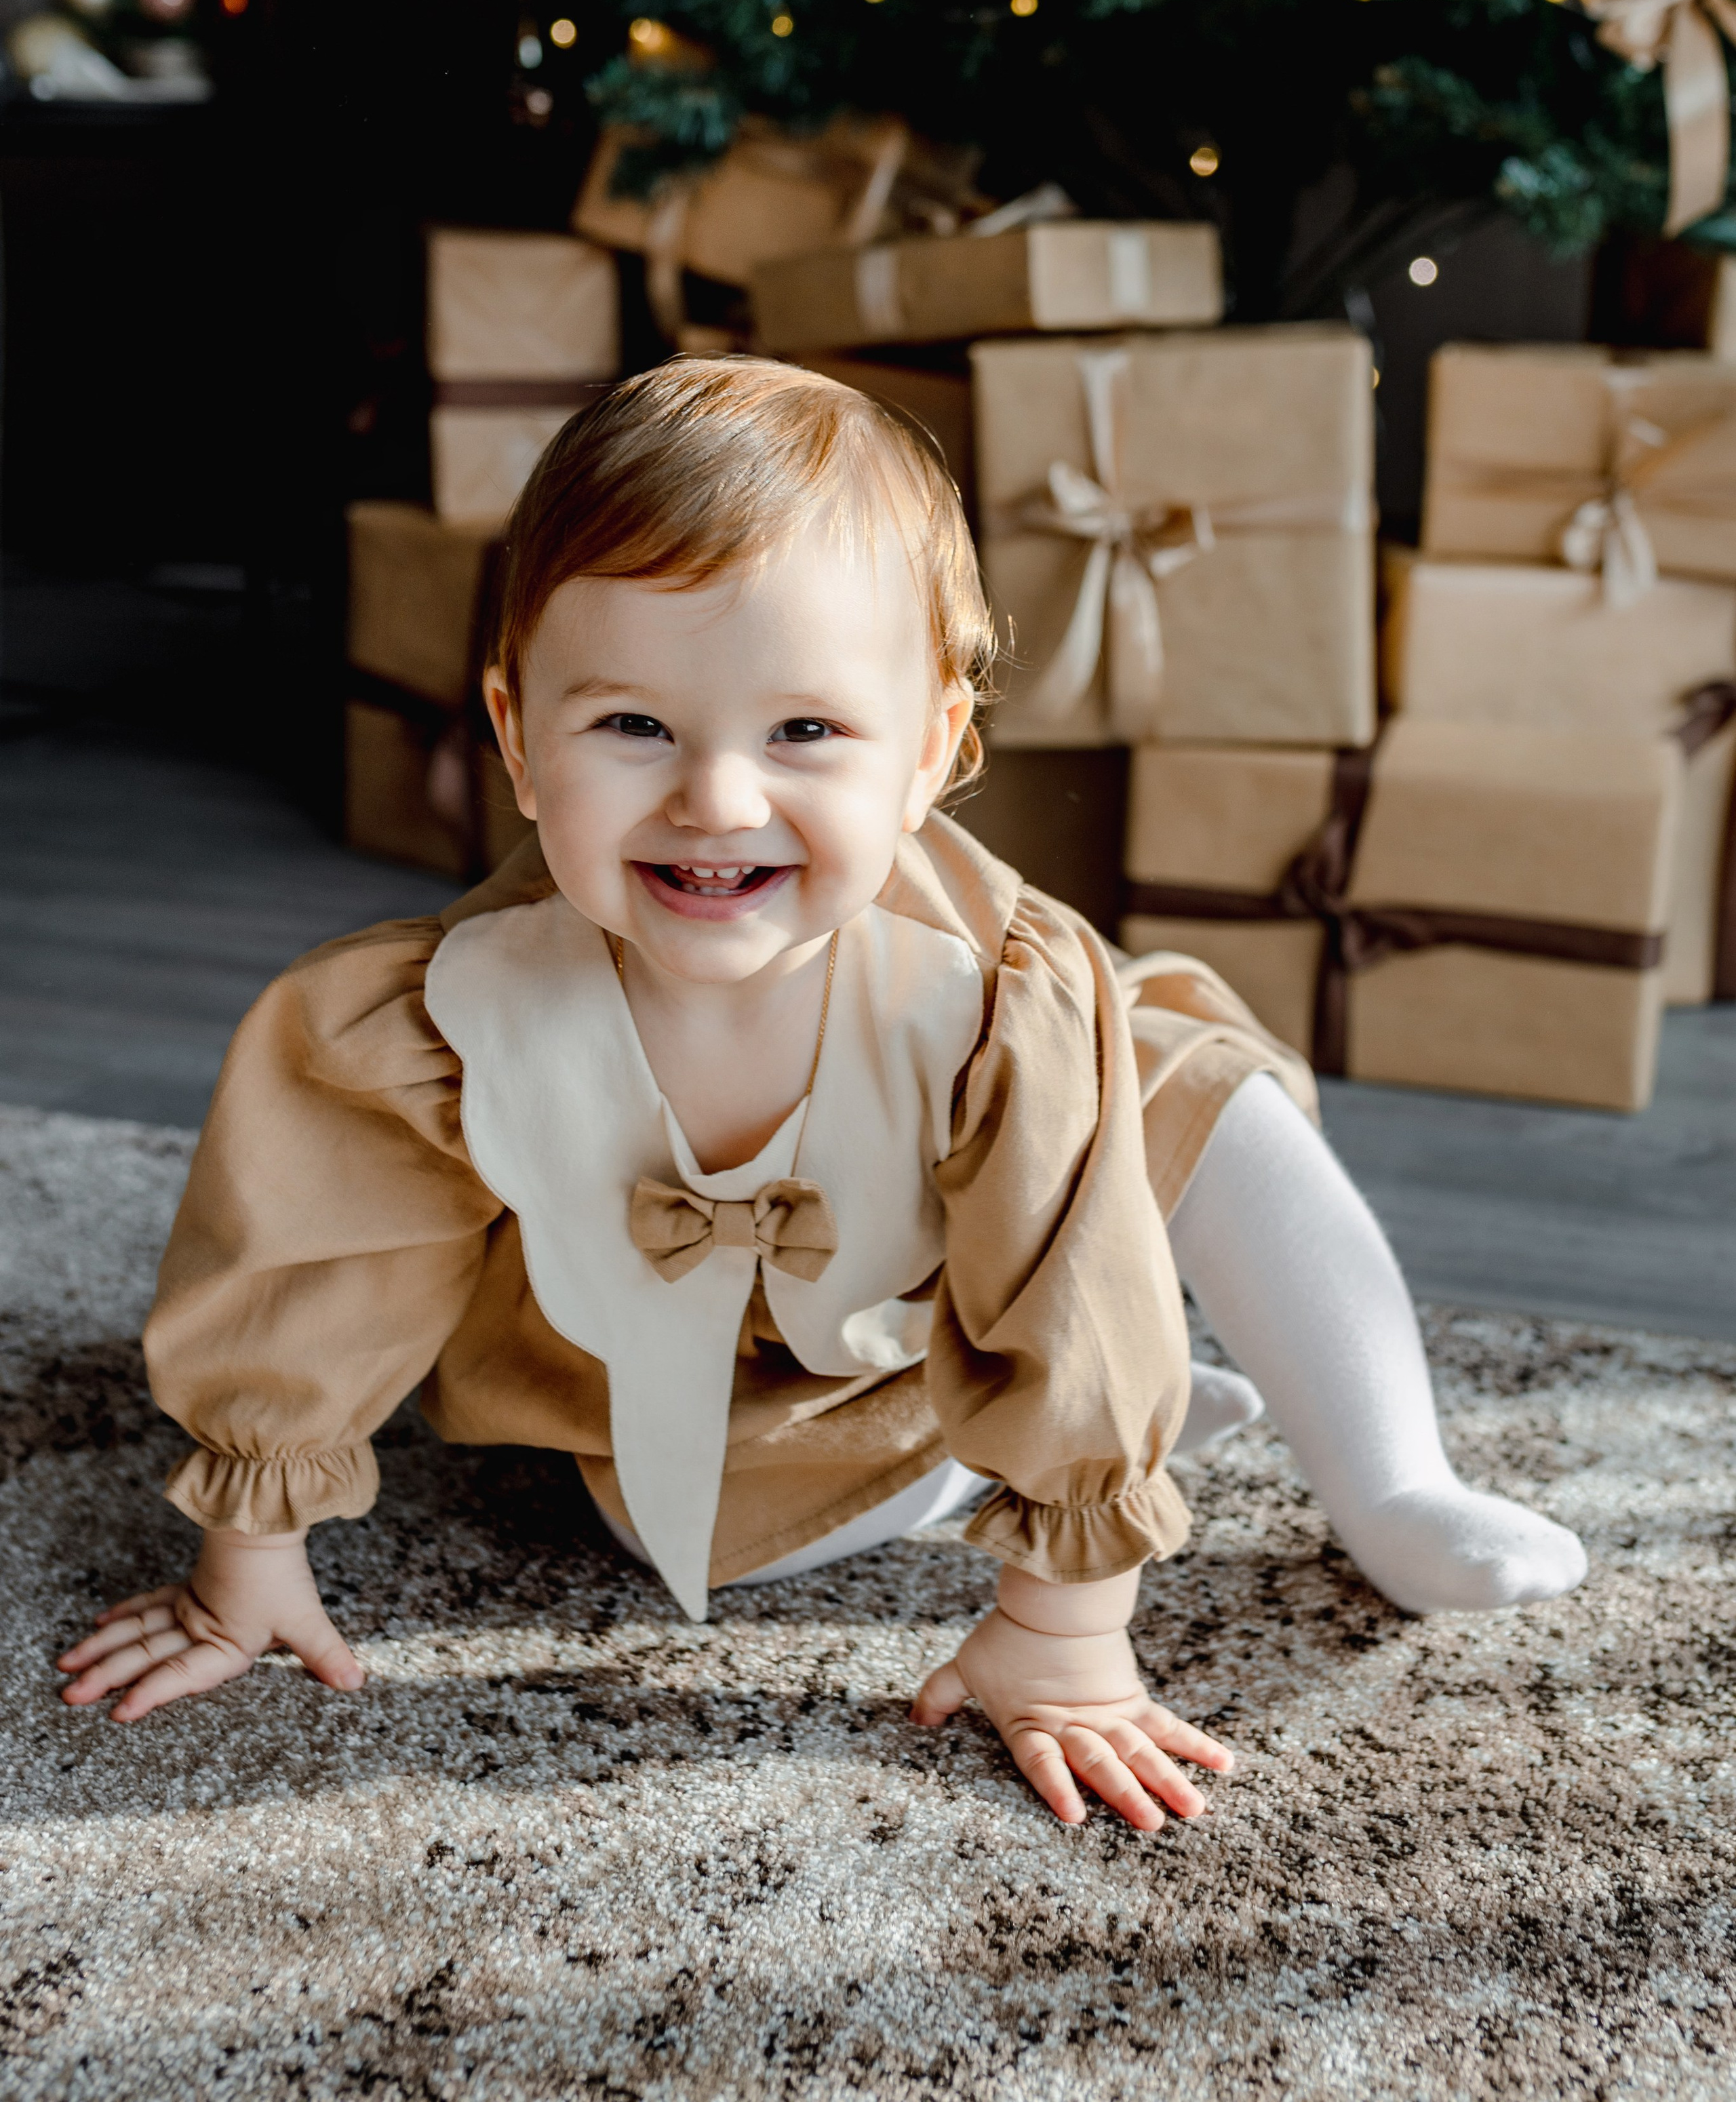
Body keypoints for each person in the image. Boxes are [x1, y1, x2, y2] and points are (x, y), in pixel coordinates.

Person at [58, 359, 1585, 1829]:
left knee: (1189, 1080)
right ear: (520, 741)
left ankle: (1385, 1473)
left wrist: (1059, 1633)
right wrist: (246, 1546)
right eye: (632, 725)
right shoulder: (442, 1014)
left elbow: (1071, 1275)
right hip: (679, 1369)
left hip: (972, 1256)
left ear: (931, 753)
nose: (714, 798)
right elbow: (313, 1251)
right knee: (673, 1538)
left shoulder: (993, 1004)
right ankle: (968, 1455)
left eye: (803, 731)